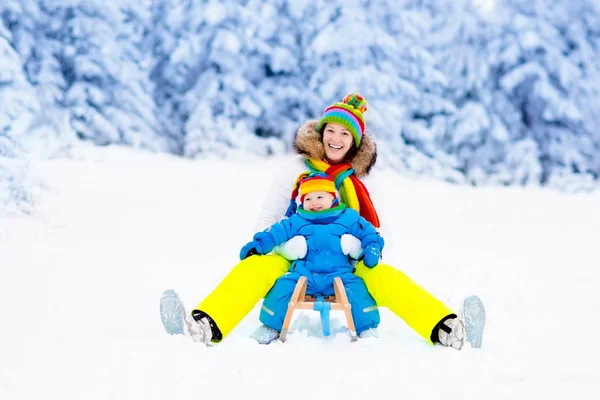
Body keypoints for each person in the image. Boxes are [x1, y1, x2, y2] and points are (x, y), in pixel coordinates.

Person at [184, 93, 465, 350]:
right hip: (294, 257)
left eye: (345, 133)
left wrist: (358, 248)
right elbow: (268, 218)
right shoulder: (295, 169)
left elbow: (380, 233)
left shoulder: (363, 180)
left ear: (354, 142)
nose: (336, 138)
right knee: (254, 267)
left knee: (387, 277)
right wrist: (284, 248)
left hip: (348, 264)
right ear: (320, 134)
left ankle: (444, 327)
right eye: (330, 130)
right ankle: (206, 324)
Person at [239, 173, 384, 339]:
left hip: (340, 274)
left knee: (357, 290)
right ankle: (270, 326)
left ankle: (367, 328)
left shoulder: (348, 217)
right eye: (308, 199)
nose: (314, 203)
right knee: (282, 287)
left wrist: (373, 247)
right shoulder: (297, 219)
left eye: (320, 197)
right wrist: (258, 246)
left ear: (333, 198)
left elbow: (368, 232)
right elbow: (275, 233)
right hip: (304, 274)